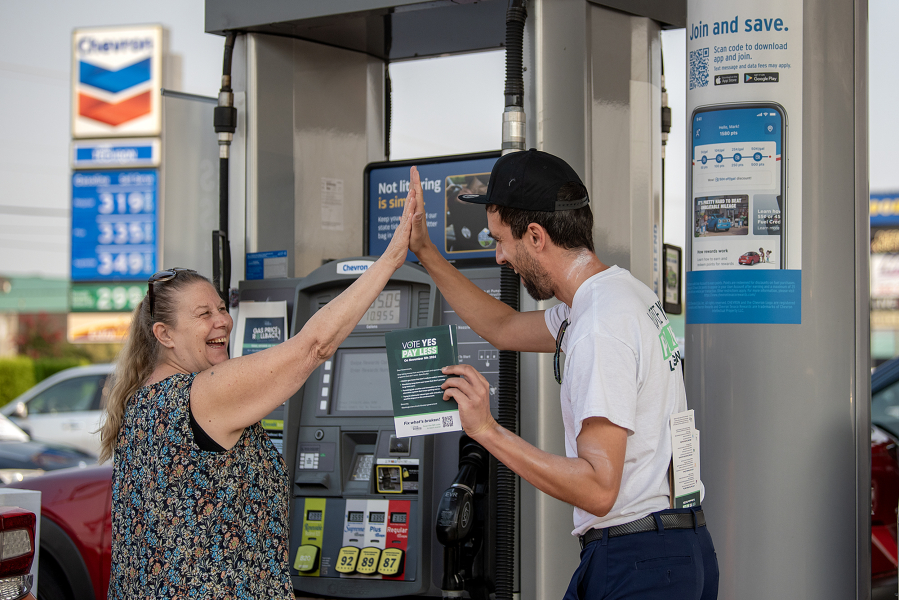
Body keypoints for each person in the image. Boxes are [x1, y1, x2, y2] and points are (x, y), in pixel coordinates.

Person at [406, 150, 717, 599]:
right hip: (674, 550)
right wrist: (425, 252)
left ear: (535, 235)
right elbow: (504, 328)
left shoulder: (598, 328)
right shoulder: (614, 296)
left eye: (500, 240)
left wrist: (487, 431)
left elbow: (597, 488)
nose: (498, 257)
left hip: (639, 561)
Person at [99, 192, 416, 598]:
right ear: (164, 335)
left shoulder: (140, 400)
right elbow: (313, 347)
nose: (224, 321)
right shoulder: (203, 395)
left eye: (220, 308)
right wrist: (389, 260)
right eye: (204, 315)